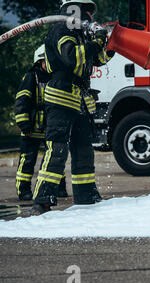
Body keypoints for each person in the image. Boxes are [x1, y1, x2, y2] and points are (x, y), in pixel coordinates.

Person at [31, 0, 114, 215]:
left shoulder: (81, 34)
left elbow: (96, 59)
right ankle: (43, 199)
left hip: (79, 100)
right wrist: (95, 42)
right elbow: (71, 56)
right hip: (60, 97)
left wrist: (109, 45)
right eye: (87, 12)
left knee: (84, 151)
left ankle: (86, 196)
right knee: (58, 149)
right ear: (72, 9)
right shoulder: (61, 28)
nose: (90, 17)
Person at [14, 44, 68, 201]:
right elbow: (22, 101)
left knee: (55, 157)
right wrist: (24, 124)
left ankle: (59, 188)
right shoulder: (31, 77)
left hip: (50, 128)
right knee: (27, 160)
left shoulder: (54, 77)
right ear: (40, 61)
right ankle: (23, 191)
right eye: (48, 60)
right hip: (31, 129)